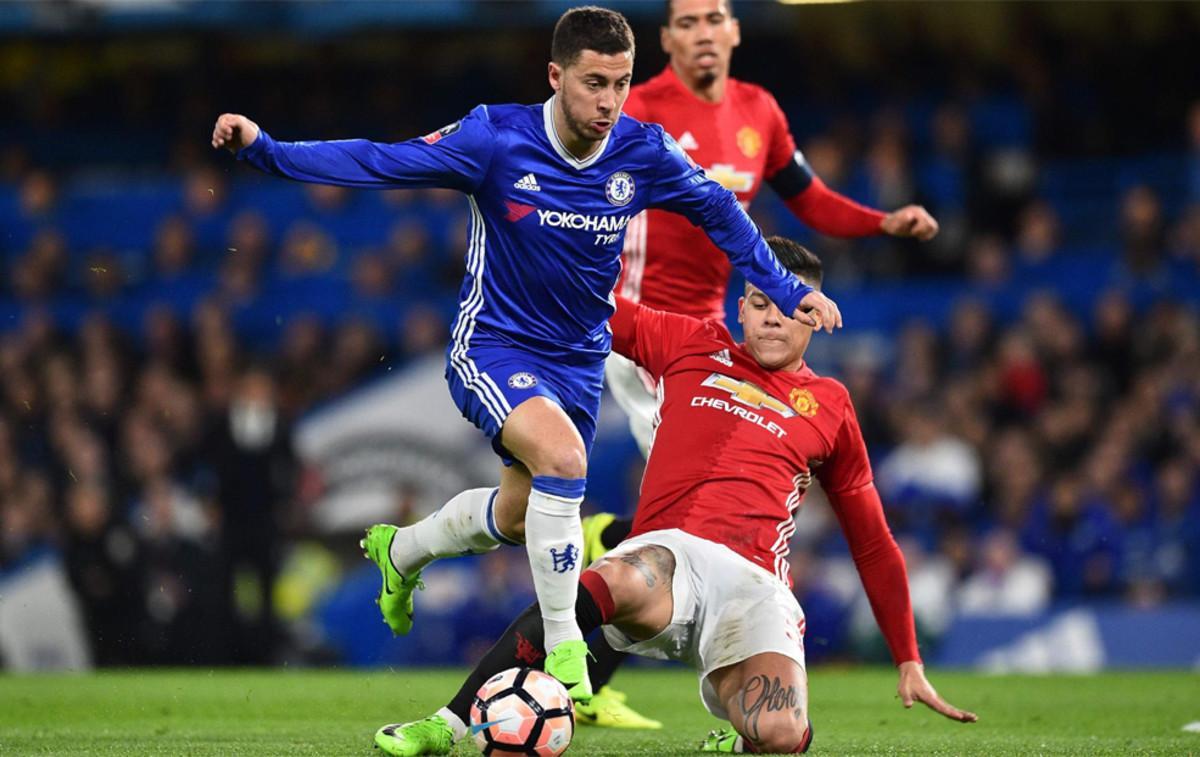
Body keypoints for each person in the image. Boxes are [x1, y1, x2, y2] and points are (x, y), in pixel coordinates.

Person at [210, 6, 841, 701]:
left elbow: (721, 211)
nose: (607, 101)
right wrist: (264, 147)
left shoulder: (642, 150)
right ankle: (568, 650)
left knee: (517, 516)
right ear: (555, 75)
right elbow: (379, 160)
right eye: (593, 82)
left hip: (576, 362)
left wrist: (782, 286)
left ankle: (403, 549)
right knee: (565, 462)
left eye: (621, 84)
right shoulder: (495, 137)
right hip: (495, 343)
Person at [372, 237, 976, 756]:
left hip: (757, 585)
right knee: (623, 575)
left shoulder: (834, 408)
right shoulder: (692, 342)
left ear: (815, 316)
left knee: (783, 731)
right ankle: (447, 725)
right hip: (668, 557)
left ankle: (740, 737)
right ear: (741, 305)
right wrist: (526, 240)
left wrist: (908, 659)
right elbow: (589, 306)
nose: (771, 318)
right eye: (759, 303)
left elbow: (871, 543)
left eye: (788, 307)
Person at [580, 0, 941, 726]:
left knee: (685, 517)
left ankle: (610, 572)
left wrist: (883, 223)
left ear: (735, 31)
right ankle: (586, 649)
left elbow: (808, 199)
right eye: (686, 22)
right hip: (652, 328)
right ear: (666, 39)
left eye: (715, 18)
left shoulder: (759, 111)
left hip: (718, 325)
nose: (703, 32)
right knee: (692, 503)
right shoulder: (636, 105)